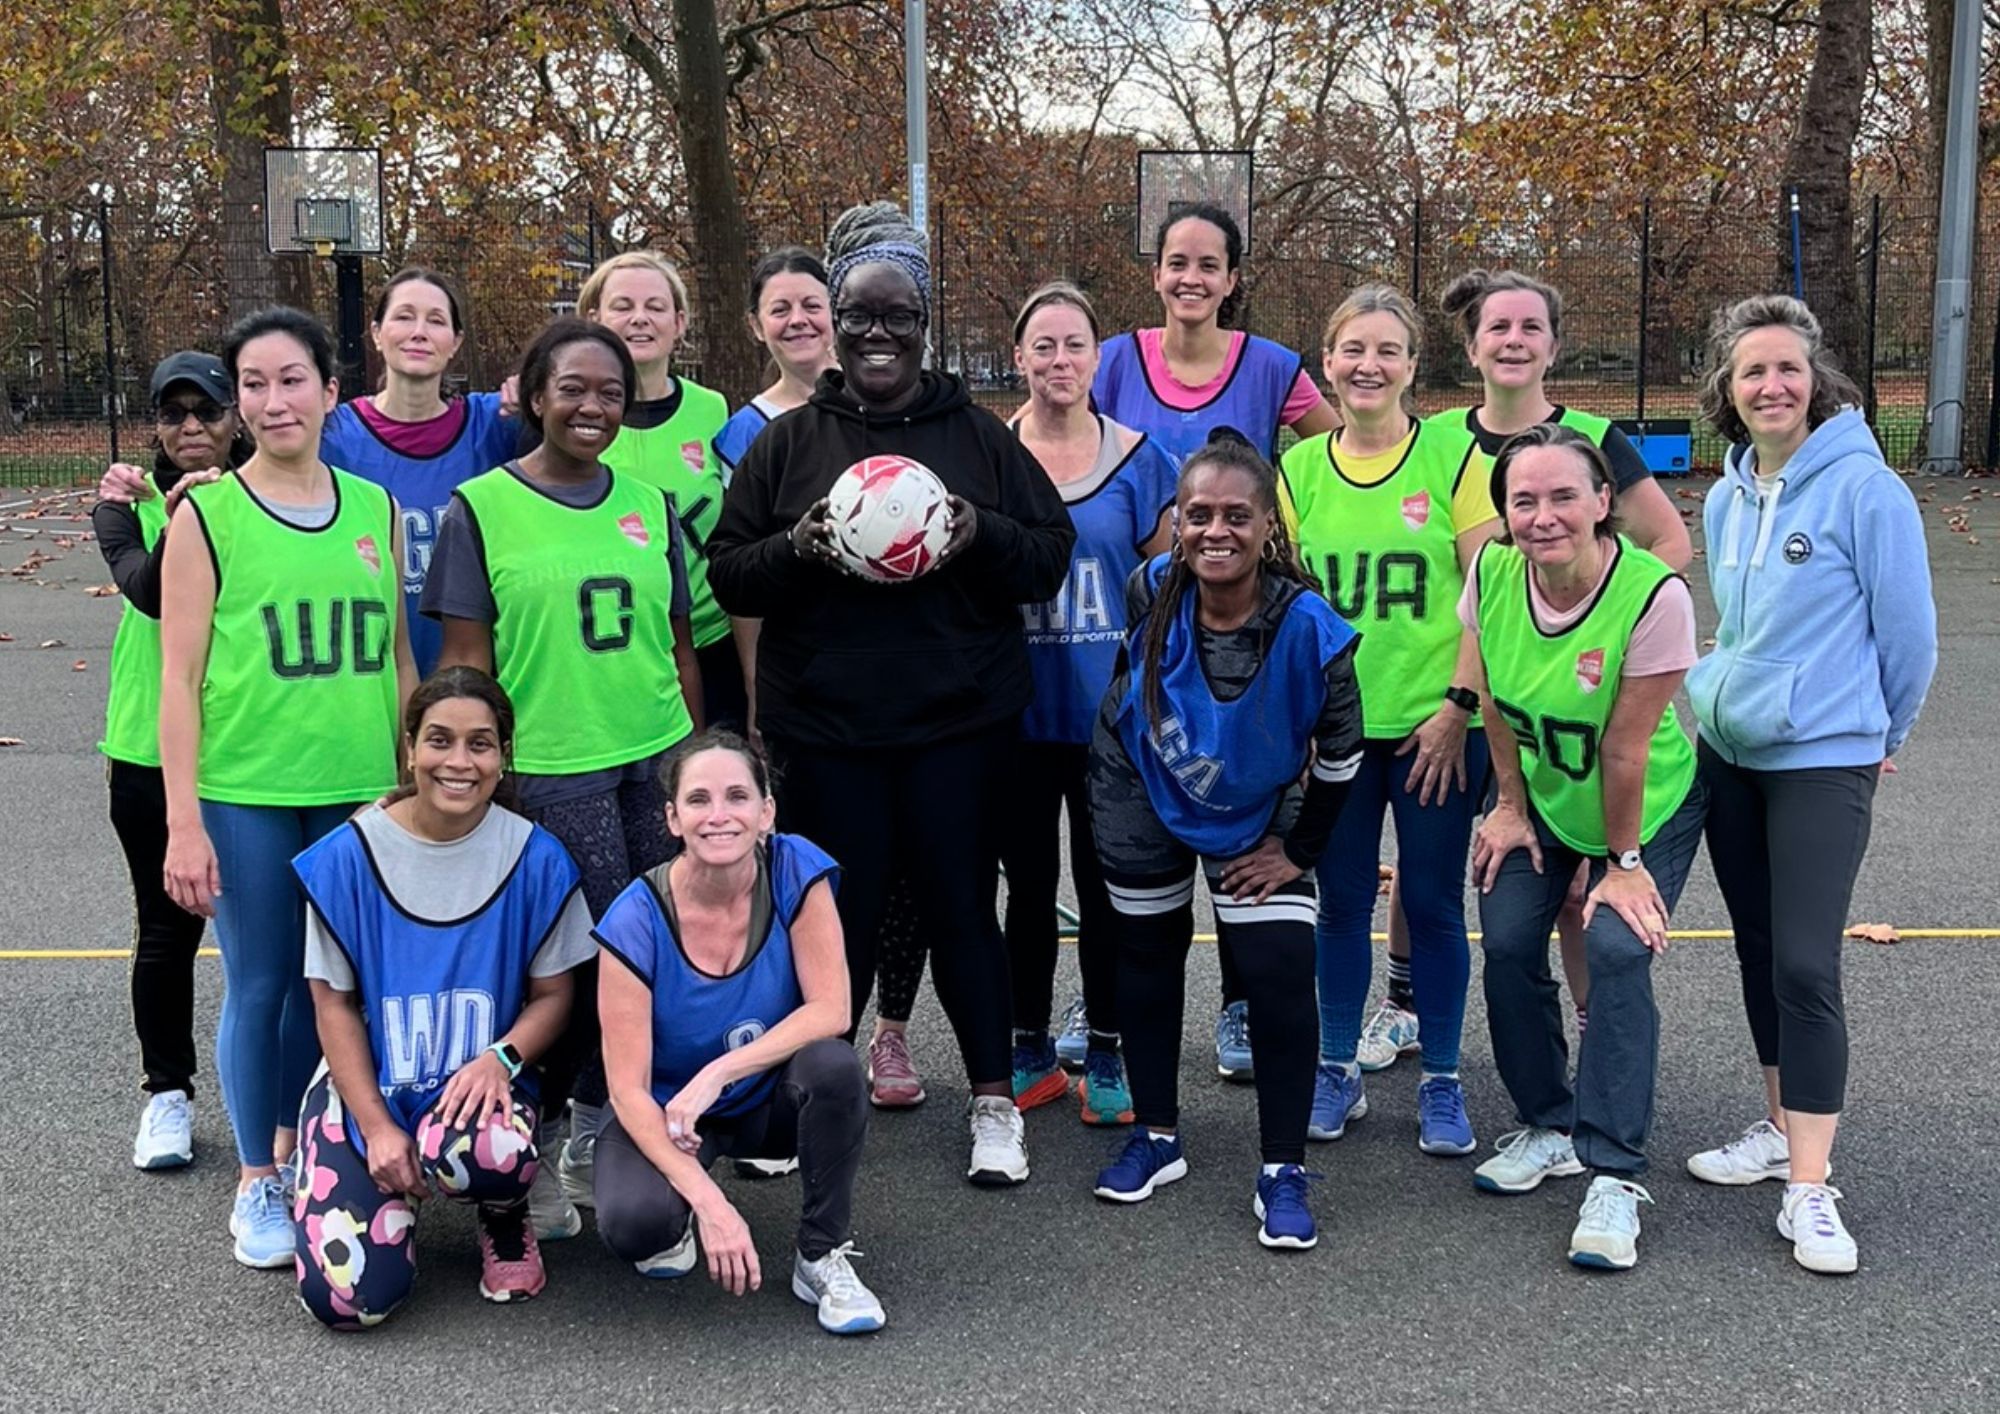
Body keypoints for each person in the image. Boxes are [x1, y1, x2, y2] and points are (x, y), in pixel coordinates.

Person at [710, 201, 1074, 1187]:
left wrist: (975, 533)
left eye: (898, 317)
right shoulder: (788, 445)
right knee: (842, 916)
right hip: (827, 730)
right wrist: (797, 546)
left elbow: (1046, 554)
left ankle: (993, 1103)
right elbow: (728, 574)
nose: (878, 336)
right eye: (859, 318)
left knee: (963, 908)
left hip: (957, 724)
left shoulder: (976, 439)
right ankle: (803, 1106)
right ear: (832, 322)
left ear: (925, 324)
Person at [1360, 269, 1698, 1074]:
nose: (1513, 341)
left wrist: (1617, 646)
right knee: (1429, 862)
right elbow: (1462, 579)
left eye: (1530, 328)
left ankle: (1593, 1030)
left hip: (1559, 709)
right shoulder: (1435, 440)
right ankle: (1403, 1003)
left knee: (1576, 886)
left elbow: (1669, 544)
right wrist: (1458, 695)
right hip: (1450, 702)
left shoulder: (1592, 437)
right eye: (1497, 328)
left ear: (1554, 343)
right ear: (1470, 345)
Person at [425, 317, 703, 1237]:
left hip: (653, 759)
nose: (592, 406)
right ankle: (535, 1144)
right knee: (582, 969)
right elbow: (465, 664)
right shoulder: (482, 506)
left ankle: (599, 1131)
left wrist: (693, 760)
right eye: (573, 388)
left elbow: (676, 643)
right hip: (552, 768)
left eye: (611, 393)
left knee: (652, 962)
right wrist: (475, 782)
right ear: (535, 395)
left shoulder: (650, 504)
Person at [1683, 295, 1936, 1275]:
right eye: (1751, 371)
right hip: (1731, 755)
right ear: (1727, 390)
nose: (1770, 385)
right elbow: (1735, 630)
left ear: (1815, 379)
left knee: (1802, 963)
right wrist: (1713, 692)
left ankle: (1807, 1186)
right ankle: (1777, 1127)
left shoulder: (1863, 491)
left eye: (1786, 368)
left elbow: (1906, 637)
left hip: (1823, 758)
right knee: (1754, 952)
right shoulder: (1724, 493)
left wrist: (1880, 734)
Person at [157, 308, 414, 1268]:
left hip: (357, 793)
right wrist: (185, 821)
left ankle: (309, 1157)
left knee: (331, 990)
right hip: (250, 790)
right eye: (254, 385)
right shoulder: (207, 515)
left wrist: (412, 782)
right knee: (261, 984)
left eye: (292, 379)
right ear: (237, 403)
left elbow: (397, 662)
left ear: (329, 390)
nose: (274, 401)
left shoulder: (374, 509)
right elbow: (179, 683)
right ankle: (257, 1182)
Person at [1088, 431, 1363, 1253]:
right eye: (1197, 514)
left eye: (1236, 516)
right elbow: (1126, 683)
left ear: (1267, 526)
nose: (1216, 530)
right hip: (1139, 784)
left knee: (1279, 969)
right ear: (1175, 523)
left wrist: (1298, 853)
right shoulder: (1150, 589)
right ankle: (1159, 1136)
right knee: (1145, 952)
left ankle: (1282, 1168)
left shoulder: (1310, 625)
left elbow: (1343, 756)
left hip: (1263, 800)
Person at [1090, 201, 1338, 1079]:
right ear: (1155, 273)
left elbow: (1332, 457)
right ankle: (1110, 1001)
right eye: (1176, 262)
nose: (1190, 278)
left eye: (1209, 265)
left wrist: (1294, 572)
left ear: (1233, 280)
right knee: (1136, 810)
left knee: (1245, 802)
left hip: (1248, 631)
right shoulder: (1113, 360)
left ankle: (1238, 1006)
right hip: (1150, 624)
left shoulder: (1272, 367)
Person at [1462, 424, 1704, 1272]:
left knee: (1613, 945)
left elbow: (1626, 750)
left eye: (1565, 495)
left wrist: (1623, 866)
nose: (1542, 515)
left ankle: (1615, 1170)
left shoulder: (1651, 596)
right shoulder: (1493, 571)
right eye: (1522, 499)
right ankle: (1548, 1123)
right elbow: (1494, 695)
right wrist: (1508, 805)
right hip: (1550, 800)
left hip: (1646, 805)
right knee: (1510, 933)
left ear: (1605, 502)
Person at [292, 667, 593, 1326]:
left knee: (495, 1151)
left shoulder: (534, 857)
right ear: (409, 748)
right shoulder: (347, 857)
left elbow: (554, 996)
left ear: (503, 757)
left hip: (476, 1085)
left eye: (480, 744)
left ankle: (504, 1213)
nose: (459, 761)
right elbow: (333, 1005)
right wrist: (375, 1128)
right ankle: (375, 1194)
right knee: (350, 1303)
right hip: (370, 1082)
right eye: (440, 740)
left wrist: (503, 1061)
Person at [1276, 286, 1495, 1156]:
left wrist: (1459, 707)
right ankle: (1336, 1067)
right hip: (1337, 732)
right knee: (1337, 907)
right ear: (1327, 362)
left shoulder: (1453, 459)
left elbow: (1489, 600)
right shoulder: (1298, 471)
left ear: (1414, 365)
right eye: (1351, 350)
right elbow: (1284, 609)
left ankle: (1441, 1079)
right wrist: (1294, 727)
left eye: (1388, 351)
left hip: (1434, 730)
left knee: (1435, 905)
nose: (1368, 365)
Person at [593, 731, 886, 1335]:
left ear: (766, 811)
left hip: (765, 1103)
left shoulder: (794, 867)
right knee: (634, 1225)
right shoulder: (634, 918)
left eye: (737, 796)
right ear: (672, 818)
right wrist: (713, 1205)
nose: (719, 815)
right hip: (670, 1115)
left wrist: (717, 1073)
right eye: (698, 800)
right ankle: (680, 1211)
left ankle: (820, 1255)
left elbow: (833, 1008)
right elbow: (626, 1090)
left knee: (834, 1068)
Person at [101, 270, 518, 678]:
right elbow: (249, 460)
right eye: (404, 316)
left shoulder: (499, 421)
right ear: (375, 332)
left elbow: (569, 437)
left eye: (437, 320)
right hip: (356, 674)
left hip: (472, 680)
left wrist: (536, 391)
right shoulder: (332, 430)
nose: (419, 331)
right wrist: (156, 479)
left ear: (457, 341)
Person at [1004, 281, 1177, 1125]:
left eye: (1075, 344)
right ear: (1019, 359)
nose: (1060, 360)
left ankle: (1106, 1047)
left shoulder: (1142, 460)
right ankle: (1029, 1047)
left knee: (1110, 890)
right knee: (1029, 892)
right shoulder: (989, 455)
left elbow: (1167, 592)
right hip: (1018, 719)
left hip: (1112, 721)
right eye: (1043, 345)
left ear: (1098, 358)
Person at [93, 351, 252, 1170]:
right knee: (166, 929)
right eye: (174, 413)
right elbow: (150, 591)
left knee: (283, 938)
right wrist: (185, 514)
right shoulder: (129, 504)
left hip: (250, 746)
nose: (192, 427)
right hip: (148, 750)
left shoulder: (265, 499)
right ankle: (167, 1094)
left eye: (209, 411)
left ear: (237, 416)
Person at [578, 250, 744, 730]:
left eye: (654, 306)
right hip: (616, 650)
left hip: (713, 645)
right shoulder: (573, 422)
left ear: (680, 321)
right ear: (595, 318)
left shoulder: (713, 410)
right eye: (623, 305)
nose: (639, 318)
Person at [713, 247, 837, 478]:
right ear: (756, 326)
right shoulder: (744, 431)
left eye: (812, 306)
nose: (798, 320)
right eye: (780, 310)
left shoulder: (874, 401)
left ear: (836, 313)